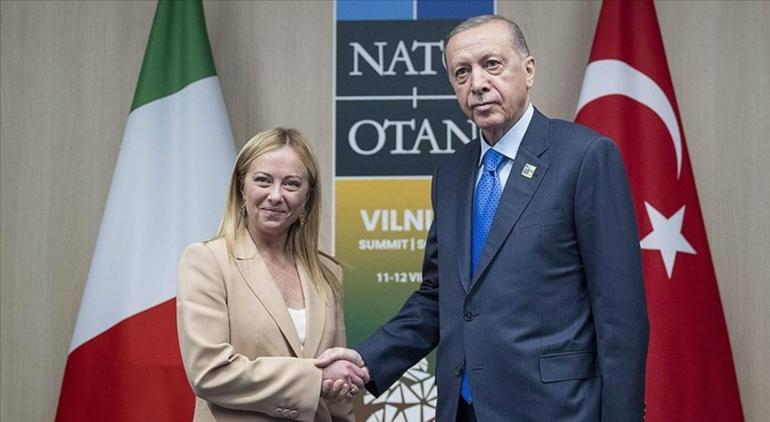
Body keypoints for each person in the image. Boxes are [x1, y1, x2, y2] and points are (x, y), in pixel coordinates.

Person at [317, 15, 649, 421]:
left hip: (557, 409)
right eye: (462, 72)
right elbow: (439, 296)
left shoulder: (585, 157)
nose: (477, 83)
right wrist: (368, 360)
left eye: (492, 64)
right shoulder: (451, 174)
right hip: (462, 409)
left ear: (528, 70)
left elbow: (620, 313)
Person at [177, 128, 368, 421]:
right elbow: (209, 373)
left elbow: (338, 399)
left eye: (291, 184)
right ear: (241, 187)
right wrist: (314, 378)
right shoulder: (207, 261)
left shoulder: (327, 272)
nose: (276, 195)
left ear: (308, 196)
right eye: (263, 180)